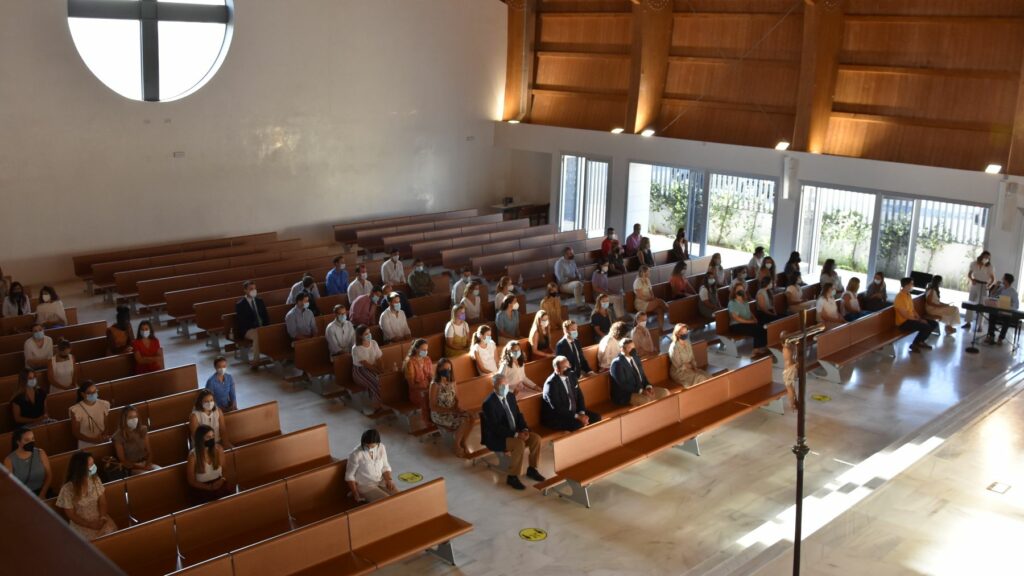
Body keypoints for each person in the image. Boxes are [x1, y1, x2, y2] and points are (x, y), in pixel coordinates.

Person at [481, 374, 545, 490]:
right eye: (501, 385)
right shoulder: (489, 403)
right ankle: (512, 476)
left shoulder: (510, 396)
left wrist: (524, 429)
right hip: (497, 437)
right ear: (494, 386)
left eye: (505, 385)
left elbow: (518, 415)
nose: (504, 387)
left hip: (515, 431)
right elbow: (495, 427)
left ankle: (532, 469)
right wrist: (516, 435)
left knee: (536, 439)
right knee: (519, 444)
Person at [55, 451, 117, 539]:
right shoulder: (67, 489)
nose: (93, 467)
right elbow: (71, 515)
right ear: (80, 469)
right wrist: (89, 524)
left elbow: (102, 501)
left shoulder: (95, 480)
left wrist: (102, 517)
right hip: (81, 523)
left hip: (99, 518)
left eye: (93, 463)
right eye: (90, 465)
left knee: (111, 533)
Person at [541, 356, 600, 431]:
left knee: (596, 417)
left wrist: (582, 413)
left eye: (569, 366)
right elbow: (558, 408)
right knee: (578, 424)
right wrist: (578, 416)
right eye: (565, 367)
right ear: (557, 370)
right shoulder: (551, 384)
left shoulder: (572, 375)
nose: (568, 369)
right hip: (557, 416)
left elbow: (579, 396)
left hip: (573, 411)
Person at [429, 359, 472, 457]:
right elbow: (432, 406)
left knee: (471, 417)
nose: (446, 370)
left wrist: (457, 407)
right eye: (444, 368)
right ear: (439, 369)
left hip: (452, 410)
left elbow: (456, 398)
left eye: (448, 368)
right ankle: (456, 445)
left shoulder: (452, 382)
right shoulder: (435, 385)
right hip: (440, 414)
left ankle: (462, 441)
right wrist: (450, 410)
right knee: (463, 421)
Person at [610, 338, 668, 406]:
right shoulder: (617, 364)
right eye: (630, 348)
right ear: (622, 350)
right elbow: (623, 385)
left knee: (665, 392)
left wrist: (648, 386)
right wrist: (641, 391)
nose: (633, 350)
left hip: (641, 389)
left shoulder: (635, 357)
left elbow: (642, 375)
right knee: (646, 401)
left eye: (633, 347)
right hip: (626, 394)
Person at [345, 429, 397, 503]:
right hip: (366, 486)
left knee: (400, 496)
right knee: (388, 502)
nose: (369, 448)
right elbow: (349, 476)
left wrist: (389, 479)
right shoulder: (355, 454)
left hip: (380, 481)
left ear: (378, 443)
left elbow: (385, 466)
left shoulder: (381, 447)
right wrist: (355, 493)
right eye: (366, 446)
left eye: (372, 446)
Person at [186, 425, 232, 502]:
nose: (211, 439)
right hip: (202, 488)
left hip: (219, 483)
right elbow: (191, 481)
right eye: (208, 437)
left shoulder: (218, 449)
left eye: (213, 436)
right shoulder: (193, 456)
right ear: (200, 439)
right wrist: (209, 487)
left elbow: (224, 469)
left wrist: (221, 480)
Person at [4, 427, 52, 498]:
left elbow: (49, 475)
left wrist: (42, 494)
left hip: (43, 491)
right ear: (18, 442)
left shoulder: (40, 453)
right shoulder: (9, 460)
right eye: (27, 440)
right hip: (22, 495)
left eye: (32, 438)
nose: (31, 442)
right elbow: (10, 485)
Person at [111, 406, 157, 475]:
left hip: (145, 463)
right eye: (130, 417)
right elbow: (123, 460)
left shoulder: (142, 429)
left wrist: (147, 464)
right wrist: (143, 468)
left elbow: (149, 452)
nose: (134, 419)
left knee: (159, 470)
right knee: (146, 476)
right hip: (132, 467)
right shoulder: (118, 436)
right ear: (124, 420)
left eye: (135, 417)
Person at [895, 278, 937, 353]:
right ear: (906, 285)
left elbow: (913, 310)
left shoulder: (908, 295)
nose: (913, 285)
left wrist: (919, 317)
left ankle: (920, 342)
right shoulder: (899, 297)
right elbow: (905, 316)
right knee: (926, 326)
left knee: (933, 323)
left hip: (911, 319)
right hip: (903, 323)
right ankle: (914, 344)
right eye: (912, 284)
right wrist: (920, 320)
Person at [352, 325, 384, 415]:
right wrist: (378, 372)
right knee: (376, 382)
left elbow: (379, 358)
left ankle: (382, 401)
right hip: (360, 371)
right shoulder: (356, 348)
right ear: (360, 336)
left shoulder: (373, 343)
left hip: (373, 368)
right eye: (366, 334)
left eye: (369, 332)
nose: (369, 335)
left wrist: (382, 369)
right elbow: (366, 364)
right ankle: (377, 407)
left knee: (383, 379)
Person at [70, 381, 110, 448]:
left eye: (94, 391)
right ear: (82, 394)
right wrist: (93, 440)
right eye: (89, 393)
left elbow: (106, 424)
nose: (93, 394)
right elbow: (76, 432)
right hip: (85, 443)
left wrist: (104, 436)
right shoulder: (76, 410)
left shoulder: (104, 404)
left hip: (101, 440)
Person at [235, 280, 269, 359]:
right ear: (245, 290)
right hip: (248, 330)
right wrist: (256, 327)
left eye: (254, 288)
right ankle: (256, 360)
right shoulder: (240, 304)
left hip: (261, 327)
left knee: (272, 332)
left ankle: (273, 356)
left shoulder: (260, 301)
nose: (253, 290)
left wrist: (267, 327)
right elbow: (243, 321)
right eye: (250, 289)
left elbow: (265, 315)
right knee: (257, 335)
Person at [668, 324, 709, 388]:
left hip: (690, 368)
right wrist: (689, 366)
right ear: (678, 334)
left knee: (707, 376)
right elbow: (678, 365)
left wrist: (694, 366)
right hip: (679, 372)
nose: (685, 334)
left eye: (686, 332)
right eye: (683, 332)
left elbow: (692, 357)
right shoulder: (674, 347)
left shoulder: (687, 343)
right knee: (700, 378)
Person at [729, 288, 767, 355]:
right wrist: (751, 322)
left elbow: (750, 312)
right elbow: (737, 318)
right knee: (757, 329)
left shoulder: (745, 301)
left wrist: (754, 319)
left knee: (764, 327)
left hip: (747, 323)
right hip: (737, 325)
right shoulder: (732, 303)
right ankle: (756, 349)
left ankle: (763, 346)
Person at [985, 273, 1020, 346]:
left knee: (1007, 320)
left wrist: (1008, 306)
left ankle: (1000, 338)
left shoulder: (1013, 292)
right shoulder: (1001, 288)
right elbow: (991, 295)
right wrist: (996, 286)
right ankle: (991, 336)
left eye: (1003, 278)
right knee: (992, 315)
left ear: (1006, 280)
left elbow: (1016, 305)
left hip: (1006, 313)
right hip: (998, 311)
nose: (1002, 280)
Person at [404, 338, 434, 421]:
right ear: (416, 349)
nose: (425, 351)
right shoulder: (410, 362)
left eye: (426, 349)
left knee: (438, 397)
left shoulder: (427, 359)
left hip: (428, 389)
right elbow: (411, 385)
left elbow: (431, 377)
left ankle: (437, 422)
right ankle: (428, 424)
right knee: (428, 400)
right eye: (423, 349)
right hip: (417, 392)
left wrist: (433, 387)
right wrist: (425, 390)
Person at [965, 251, 996, 330]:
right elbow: (969, 274)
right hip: (975, 284)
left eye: (988, 258)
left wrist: (989, 286)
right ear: (982, 256)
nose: (986, 259)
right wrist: (972, 279)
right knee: (970, 302)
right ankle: (968, 322)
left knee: (982, 305)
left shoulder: (990, 266)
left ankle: (980, 325)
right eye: (985, 257)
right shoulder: (974, 264)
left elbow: (993, 279)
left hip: (984, 285)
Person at [554, 247, 586, 312]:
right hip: (563, 285)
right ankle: (580, 305)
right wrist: (572, 279)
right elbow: (560, 279)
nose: (572, 254)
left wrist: (578, 276)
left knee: (586, 284)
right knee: (577, 284)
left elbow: (578, 273)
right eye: (570, 253)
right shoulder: (559, 263)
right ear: (565, 254)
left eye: (572, 252)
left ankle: (592, 302)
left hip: (574, 282)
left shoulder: (572, 261)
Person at [782, 339, 798, 411]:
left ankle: (792, 404)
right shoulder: (794, 347)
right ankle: (795, 401)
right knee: (792, 386)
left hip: (788, 369)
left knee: (789, 387)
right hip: (793, 367)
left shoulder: (786, 349)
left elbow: (786, 359)